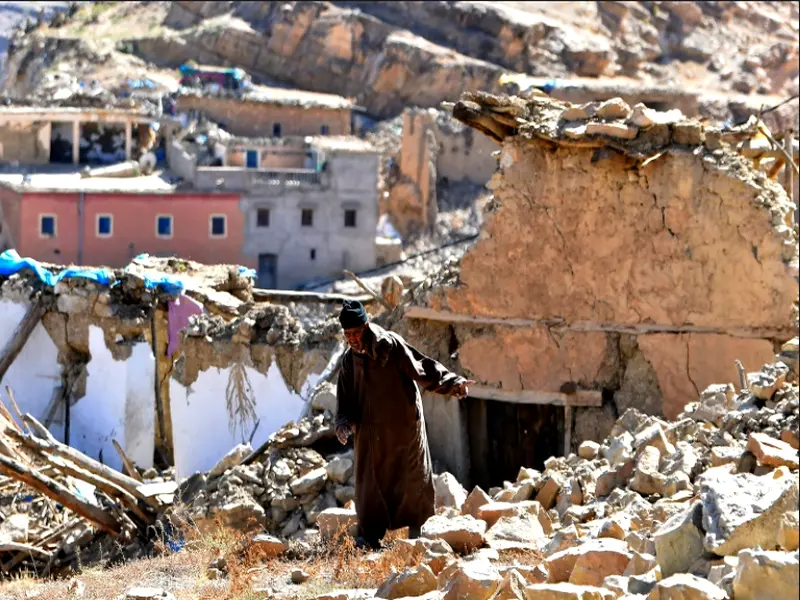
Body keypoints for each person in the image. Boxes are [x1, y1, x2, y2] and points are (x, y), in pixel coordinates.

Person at [335, 299, 473, 549]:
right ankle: (370, 539)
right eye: (348, 335)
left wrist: (453, 384)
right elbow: (344, 400)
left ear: (366, 326)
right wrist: (343, 424)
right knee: (369, 485)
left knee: (412, 479)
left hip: (403, 427)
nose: (353, 339)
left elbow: (422, 367)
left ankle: (419, 537)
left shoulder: (389, 345)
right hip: (370, 434)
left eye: (356, 333)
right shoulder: (348, 361)